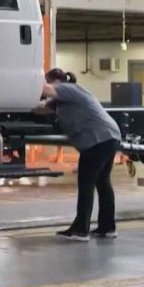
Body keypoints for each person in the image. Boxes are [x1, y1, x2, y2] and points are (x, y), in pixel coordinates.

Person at [42, 68, 122, 242]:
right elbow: (42, 109)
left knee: (86, 183)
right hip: (109, 137)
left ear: (55, 81)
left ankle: (80, 230)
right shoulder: (63, 99)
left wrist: (31, 80)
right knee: (102, 182)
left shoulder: (66, 88)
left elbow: (45, 89)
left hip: (97, 140)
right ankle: (107, 227)